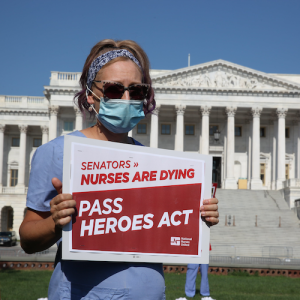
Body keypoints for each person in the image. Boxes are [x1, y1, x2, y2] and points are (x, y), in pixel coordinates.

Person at [19, 39, 219, 300]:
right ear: (91, 95)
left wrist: (198, 217)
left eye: (136, 91)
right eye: (114, 90)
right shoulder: (58, 151)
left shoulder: (152, 160)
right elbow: (27, 238)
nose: (126, 99)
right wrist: (56, 222)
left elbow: (160, 229)